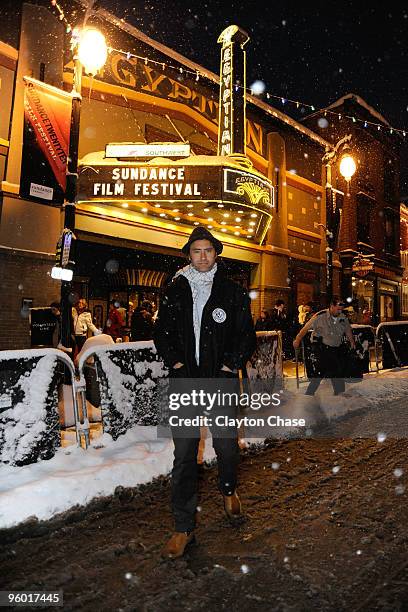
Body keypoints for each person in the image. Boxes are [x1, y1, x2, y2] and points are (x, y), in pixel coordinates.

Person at [153, 225, 256, 559]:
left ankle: (228, 488)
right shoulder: (175, 289)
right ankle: (183, 527)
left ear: (216, 254)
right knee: (184, 455)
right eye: (196, 251)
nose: (202, 256)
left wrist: (229, 365)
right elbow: (162, 333)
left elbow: (246, 336)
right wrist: (177, 364)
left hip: (221, 382)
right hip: (185, 384)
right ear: (189, 254)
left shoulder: (232, 292)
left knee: (226, 447)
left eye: (208, 250)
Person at [293, 296, 356, 396]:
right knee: (334, 370)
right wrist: (297, 339)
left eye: (341, 309)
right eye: (338, 309)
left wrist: (352, 341)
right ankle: (338, 394)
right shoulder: (320, 316)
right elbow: (305, 329)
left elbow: (347, 329)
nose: (340, 311)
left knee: (325, 371)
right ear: (331, 306)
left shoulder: (342, 317)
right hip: (321, 347)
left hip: (335, 348)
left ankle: (311, 394)